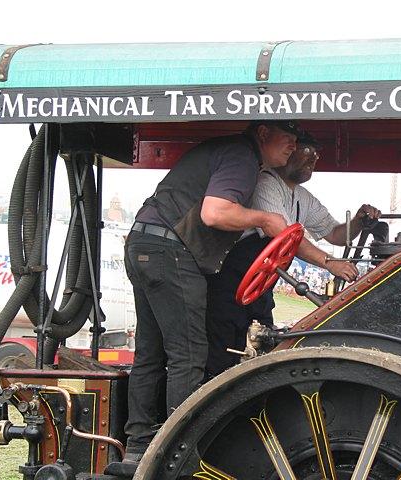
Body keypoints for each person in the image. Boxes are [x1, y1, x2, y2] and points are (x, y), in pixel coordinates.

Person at [121, 120, 298, 464]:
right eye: (287, 136)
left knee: (150, 352)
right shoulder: (242, 155)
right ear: (263, 133)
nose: (293, 144)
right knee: (189, 354)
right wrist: (264, 219)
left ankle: (139, 445)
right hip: (171, 249)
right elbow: (214, 213)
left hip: (143, 243)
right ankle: (181, 453)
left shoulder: (228, 150)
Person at [205, 130, 381, 378]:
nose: (313, 160)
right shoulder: (265, 183)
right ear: (289, 151)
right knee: (223, 353)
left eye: (316, 155)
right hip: (230, 287)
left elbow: (335, 233)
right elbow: (286, 237)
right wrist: (329, 263)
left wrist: (360, 222)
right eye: (307, 151)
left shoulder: (302, 197)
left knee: (262, 349)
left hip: (260, 290)